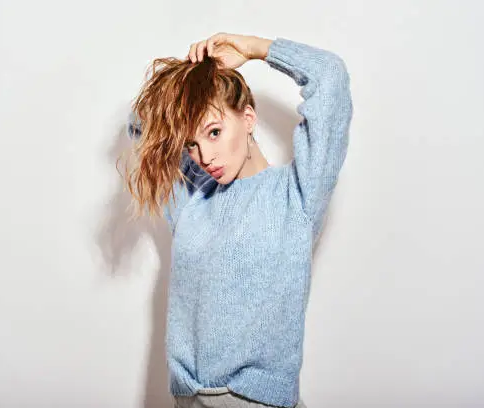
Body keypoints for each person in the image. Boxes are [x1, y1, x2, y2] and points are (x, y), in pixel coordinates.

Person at [122, 33, 353, 408]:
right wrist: (187, 81)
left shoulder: (296, 195)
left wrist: (255, 49)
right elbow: (138, 126)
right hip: (187, 399)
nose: (204, 155)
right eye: (191, 144)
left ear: (247, 118)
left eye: (214, 132)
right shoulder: (192, 201)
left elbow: (330, 77)